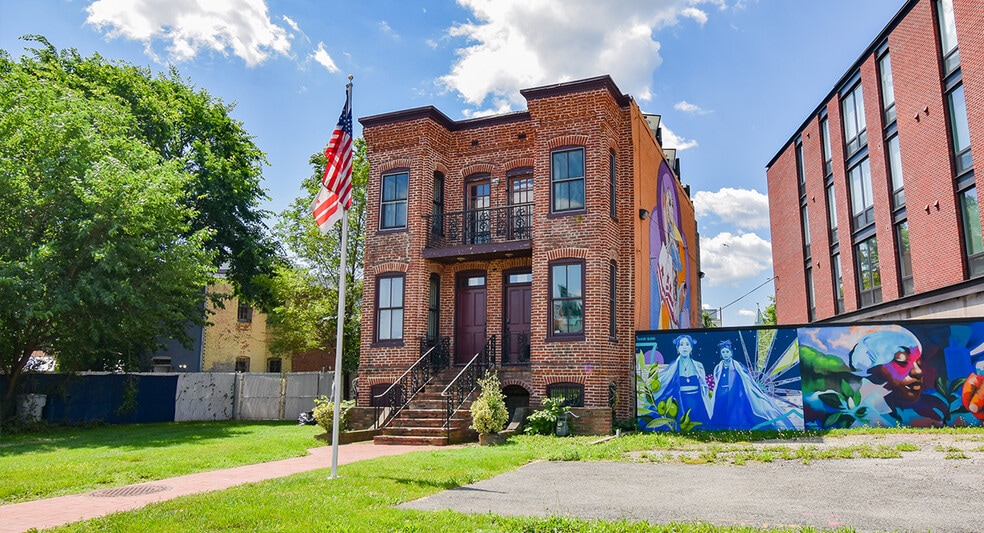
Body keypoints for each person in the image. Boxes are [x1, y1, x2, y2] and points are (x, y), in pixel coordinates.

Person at [710, 340, 796, 430]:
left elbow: (745, 378)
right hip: (721, 394)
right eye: (723, 352)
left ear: (731, 353)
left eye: (727, 352)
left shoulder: (737, 366)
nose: (725, 354)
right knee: (721, 411)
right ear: (721, 354)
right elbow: (717, 380)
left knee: (735, 412)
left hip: (734, 394)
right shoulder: (718, 367)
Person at [654, 334, 710, 426]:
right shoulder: (672, 368)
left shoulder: (698, 366)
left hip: (697, 402)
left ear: (691, 348)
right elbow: (664, 382)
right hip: (681, 401)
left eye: (687, 344)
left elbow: (704, 386)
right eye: (681, 344)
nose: (684, 347)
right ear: (677, 348)